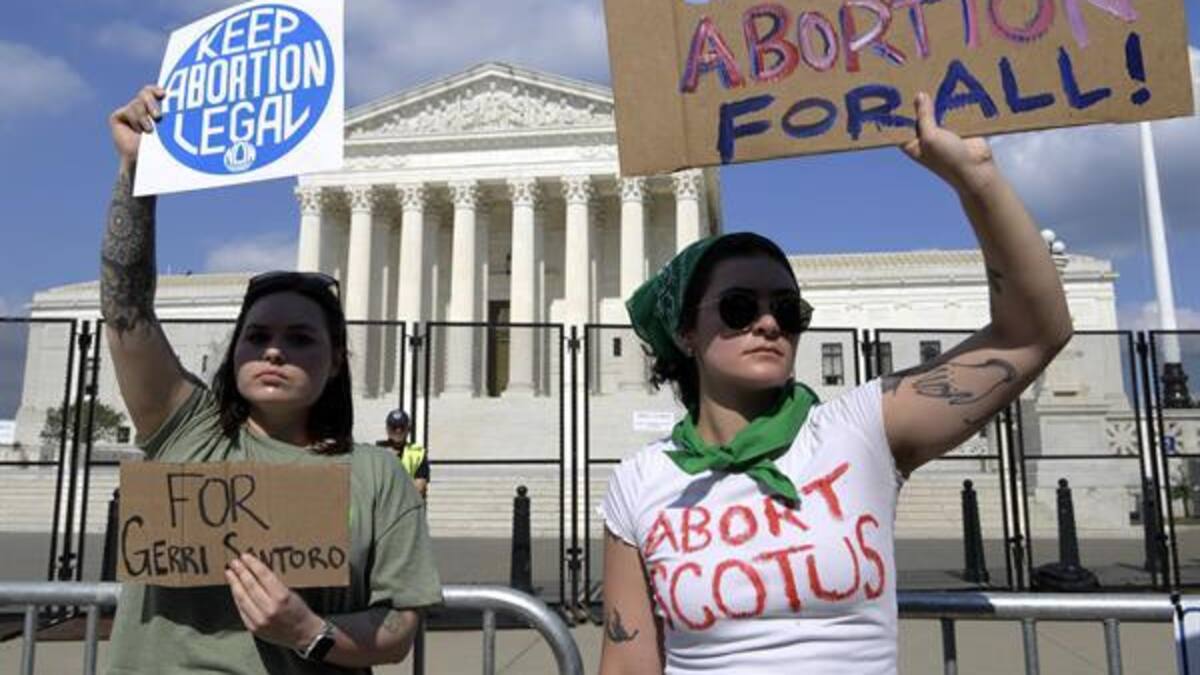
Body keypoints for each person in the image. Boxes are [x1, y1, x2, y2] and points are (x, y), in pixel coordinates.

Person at [597, 92, 1073, 674]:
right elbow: (627, 664)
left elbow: (1032, 335)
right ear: (687, 334)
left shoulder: (859, 431)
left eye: (789, 309)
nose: (768, 322)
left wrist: (977, 180)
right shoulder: (642, 483)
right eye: (739, 306)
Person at [102, 85, 442, 674]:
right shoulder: (189, 433)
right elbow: (126, 313)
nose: (275, 351)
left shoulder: (376, 473)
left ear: (336, 360)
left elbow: (400, 626)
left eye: (301, 339)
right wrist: (136, 174)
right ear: (235, 352)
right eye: (257, 337)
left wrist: (309, 630)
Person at [379, 410, 429, 499]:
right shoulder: (377, 452)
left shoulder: (417, 453)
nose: (398, 430)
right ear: (387, 429)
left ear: (408, 429)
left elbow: (419, 489)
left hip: (409, 510)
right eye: (394, 427)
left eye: (402, 427)